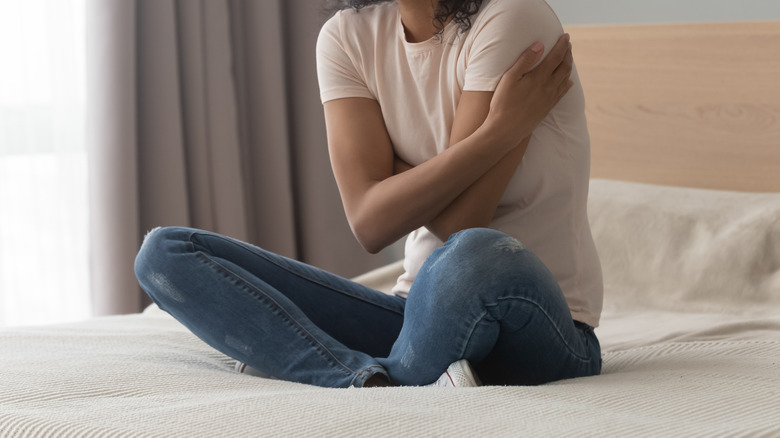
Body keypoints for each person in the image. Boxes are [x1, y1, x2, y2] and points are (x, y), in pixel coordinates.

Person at [134, 0, 603, 388]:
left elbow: (463, 221)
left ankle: (371, 377)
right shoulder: (346, 37)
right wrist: (499, 132)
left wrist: (388, 182)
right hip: (413, 315)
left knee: (474, 254)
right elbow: (369, 222)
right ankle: (359, 380)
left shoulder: (513, 18)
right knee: (165, 253)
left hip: (541, 325)